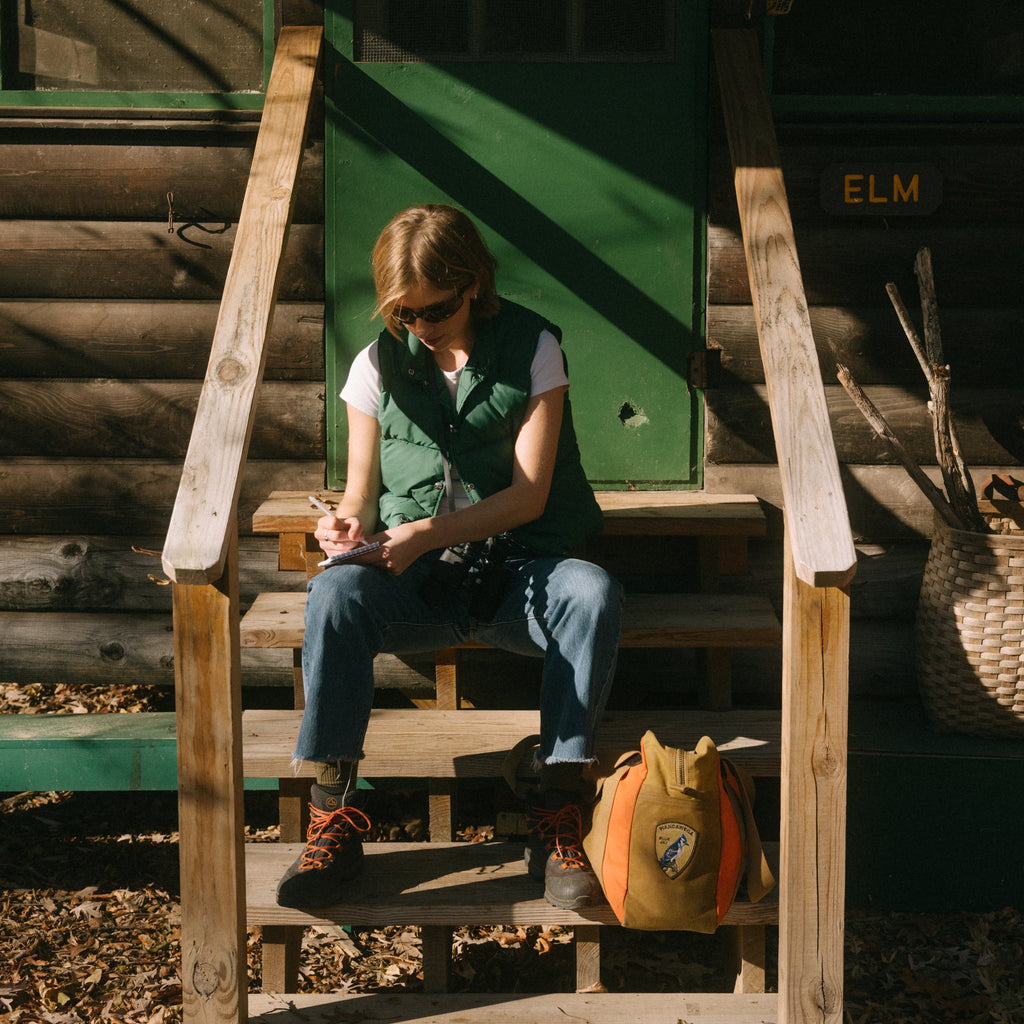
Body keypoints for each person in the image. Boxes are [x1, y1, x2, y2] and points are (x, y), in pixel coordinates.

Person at [276, 204, 623, 913]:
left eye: (436, 309)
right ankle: (332, 816)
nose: (421, 327)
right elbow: (361, 492)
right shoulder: (376, 362)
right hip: (421, 581)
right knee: (333, 595)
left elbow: (528, 496)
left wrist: (425, 533)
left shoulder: (533, 347)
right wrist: (346, 525)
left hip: (520, 569)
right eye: (404, 313)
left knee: (592, 592)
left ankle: (557, 809)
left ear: (474, 285)